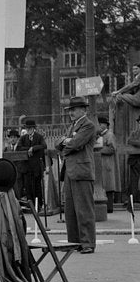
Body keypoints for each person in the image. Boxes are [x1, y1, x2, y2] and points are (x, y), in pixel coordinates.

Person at [56, 97, 96, 254]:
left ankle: (87, 243)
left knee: (84, 209)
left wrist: (66, 142)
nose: (71, 112)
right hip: (70, 171)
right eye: (70, 110)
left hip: (82, 172)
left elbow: (75, 143)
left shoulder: (88, 125)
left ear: (83, 110)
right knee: (70, 210)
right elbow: (59, 144)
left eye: (74, 109)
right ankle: (74, 242)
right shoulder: (72, 126)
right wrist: (67, 142)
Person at [14, 119, 47, 212]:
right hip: (27, 167)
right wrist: (28, 149)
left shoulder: (39, 137)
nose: (28, 130)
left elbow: (44, 146)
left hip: (36, 167)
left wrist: (33, 148)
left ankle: (39, 205)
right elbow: (18, 148)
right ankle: (30, 206)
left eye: (30, 128)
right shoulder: (23, 138)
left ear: (33, 128)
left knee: (37, 186)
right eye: (27, 128)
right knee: (28, 186)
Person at [95, 116, 120, 214]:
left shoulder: (109, 135)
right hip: (101, 164)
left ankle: (109, 208)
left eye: (101, 124)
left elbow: (112, 149)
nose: (99, 126)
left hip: (107, 164)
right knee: (103, 185)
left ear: (105, 125)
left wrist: (98, 150)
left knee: (109, 187)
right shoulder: (99, 135)